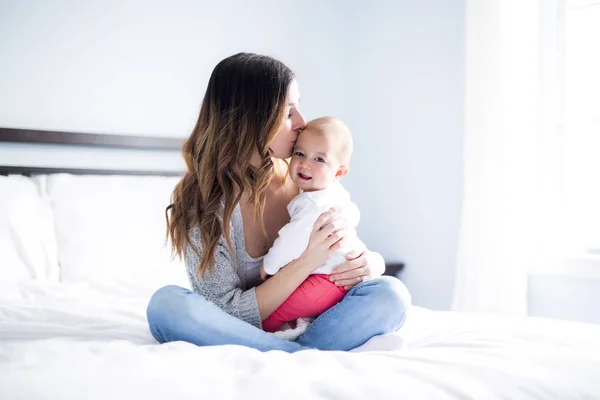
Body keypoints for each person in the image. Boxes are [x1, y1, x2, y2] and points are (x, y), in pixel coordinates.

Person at [146, 52, 411, 352]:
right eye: (288, 112)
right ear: (250, 118)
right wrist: (306, 261)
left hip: (314, 319)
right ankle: (293, 354)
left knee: (392, 293)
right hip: (241, 327)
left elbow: (344, 240)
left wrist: (368, 264)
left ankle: (291, 348)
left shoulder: (303, 175)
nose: (302, 122)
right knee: (166, 306)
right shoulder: (202, 205)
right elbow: (225, 311)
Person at [260, 116, 366, 334]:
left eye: (319, 159)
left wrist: (268, 266)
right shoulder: (335, 194)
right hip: (339, 279)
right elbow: (354, 214)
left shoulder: (312, 202)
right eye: (299, 153)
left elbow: (291, 240)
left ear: (339, 172)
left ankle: (267, 341)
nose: (305, 164)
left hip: (326, 280)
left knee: (269, 317)